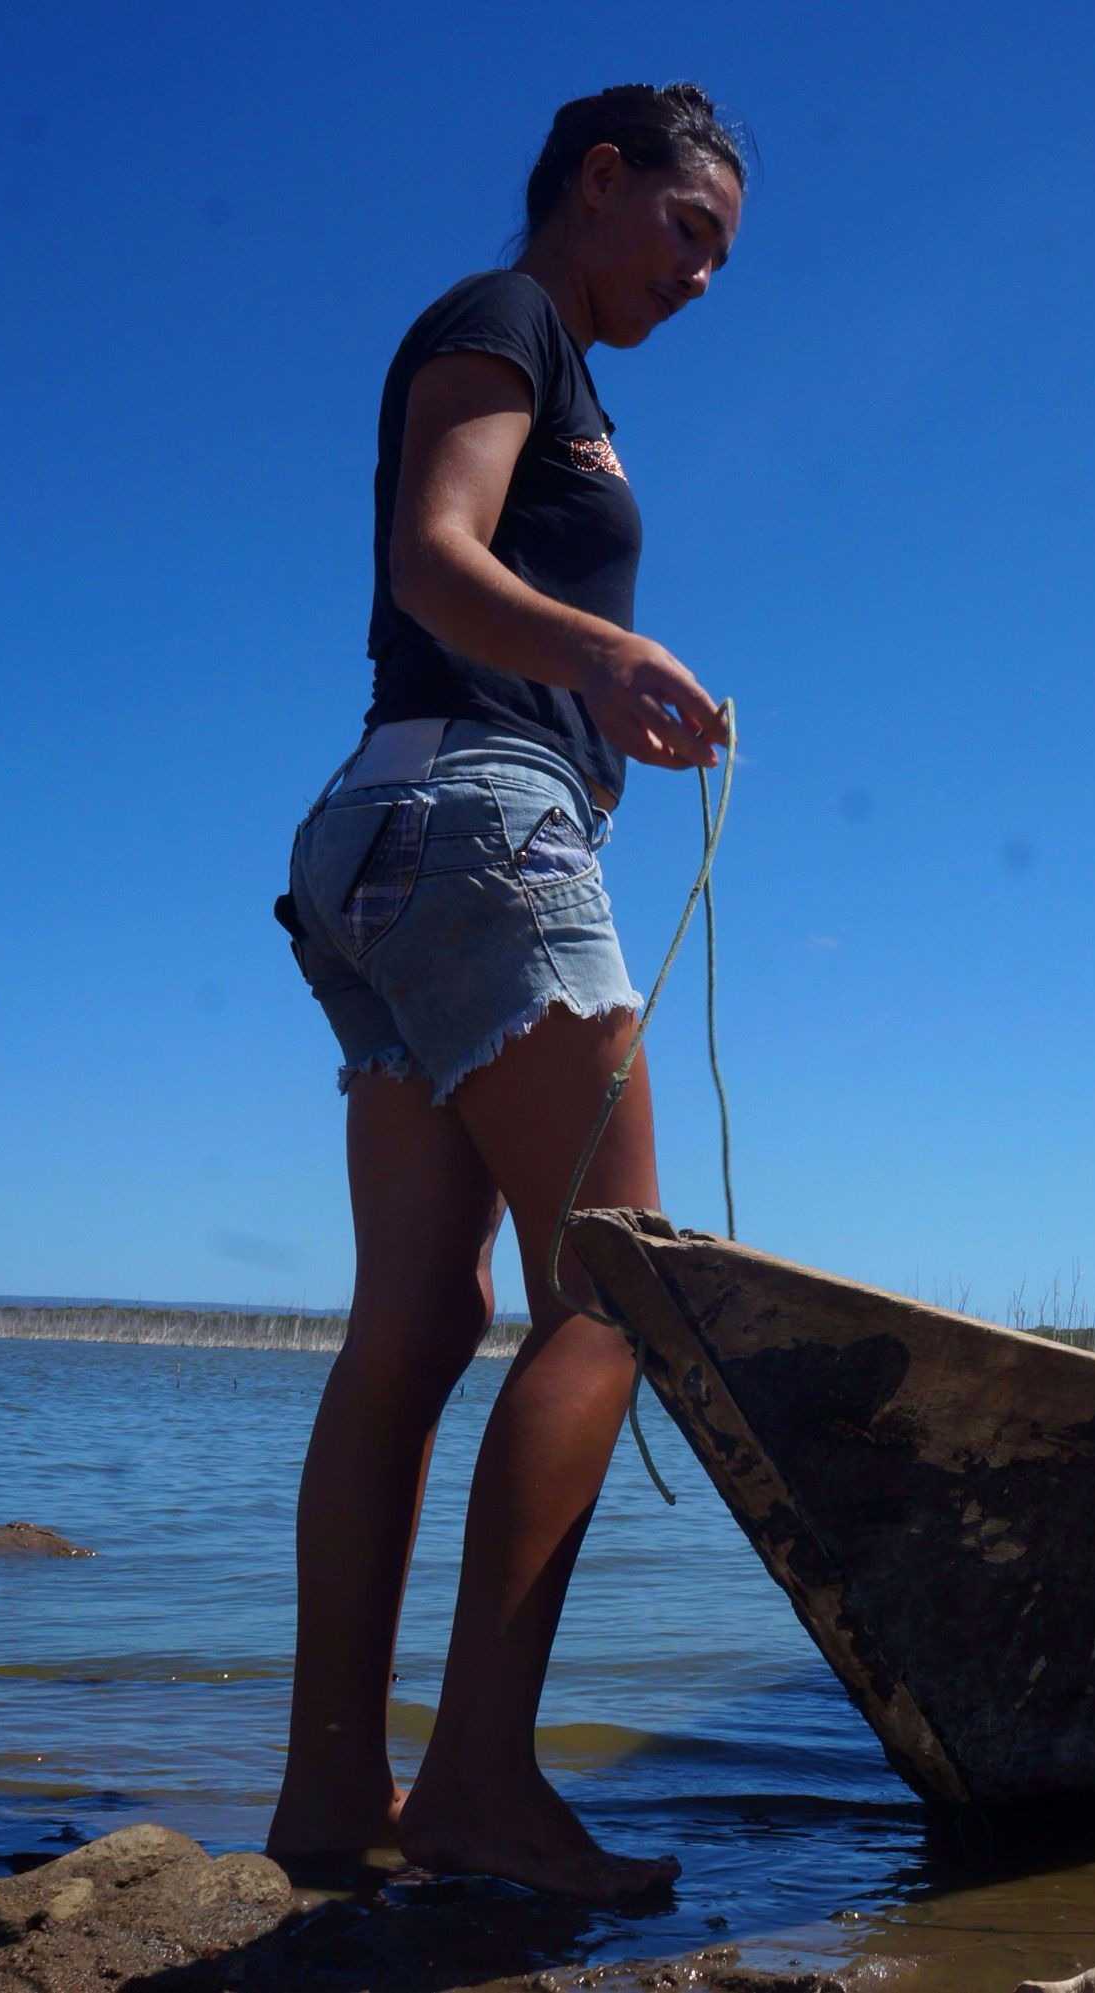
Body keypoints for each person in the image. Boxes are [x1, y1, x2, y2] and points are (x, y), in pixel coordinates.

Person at [262, 82, 744, 1901]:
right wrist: (609, 653)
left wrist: (597, 700)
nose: (704, 278)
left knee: (420, 1312)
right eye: (691, 231)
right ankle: (472, 1784)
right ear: (601, 184)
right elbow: (432, 558)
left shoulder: (563, 364)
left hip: (384, 839)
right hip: (474, 819)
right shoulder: (505, 317)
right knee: (614, 1290)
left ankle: (331, 1801)